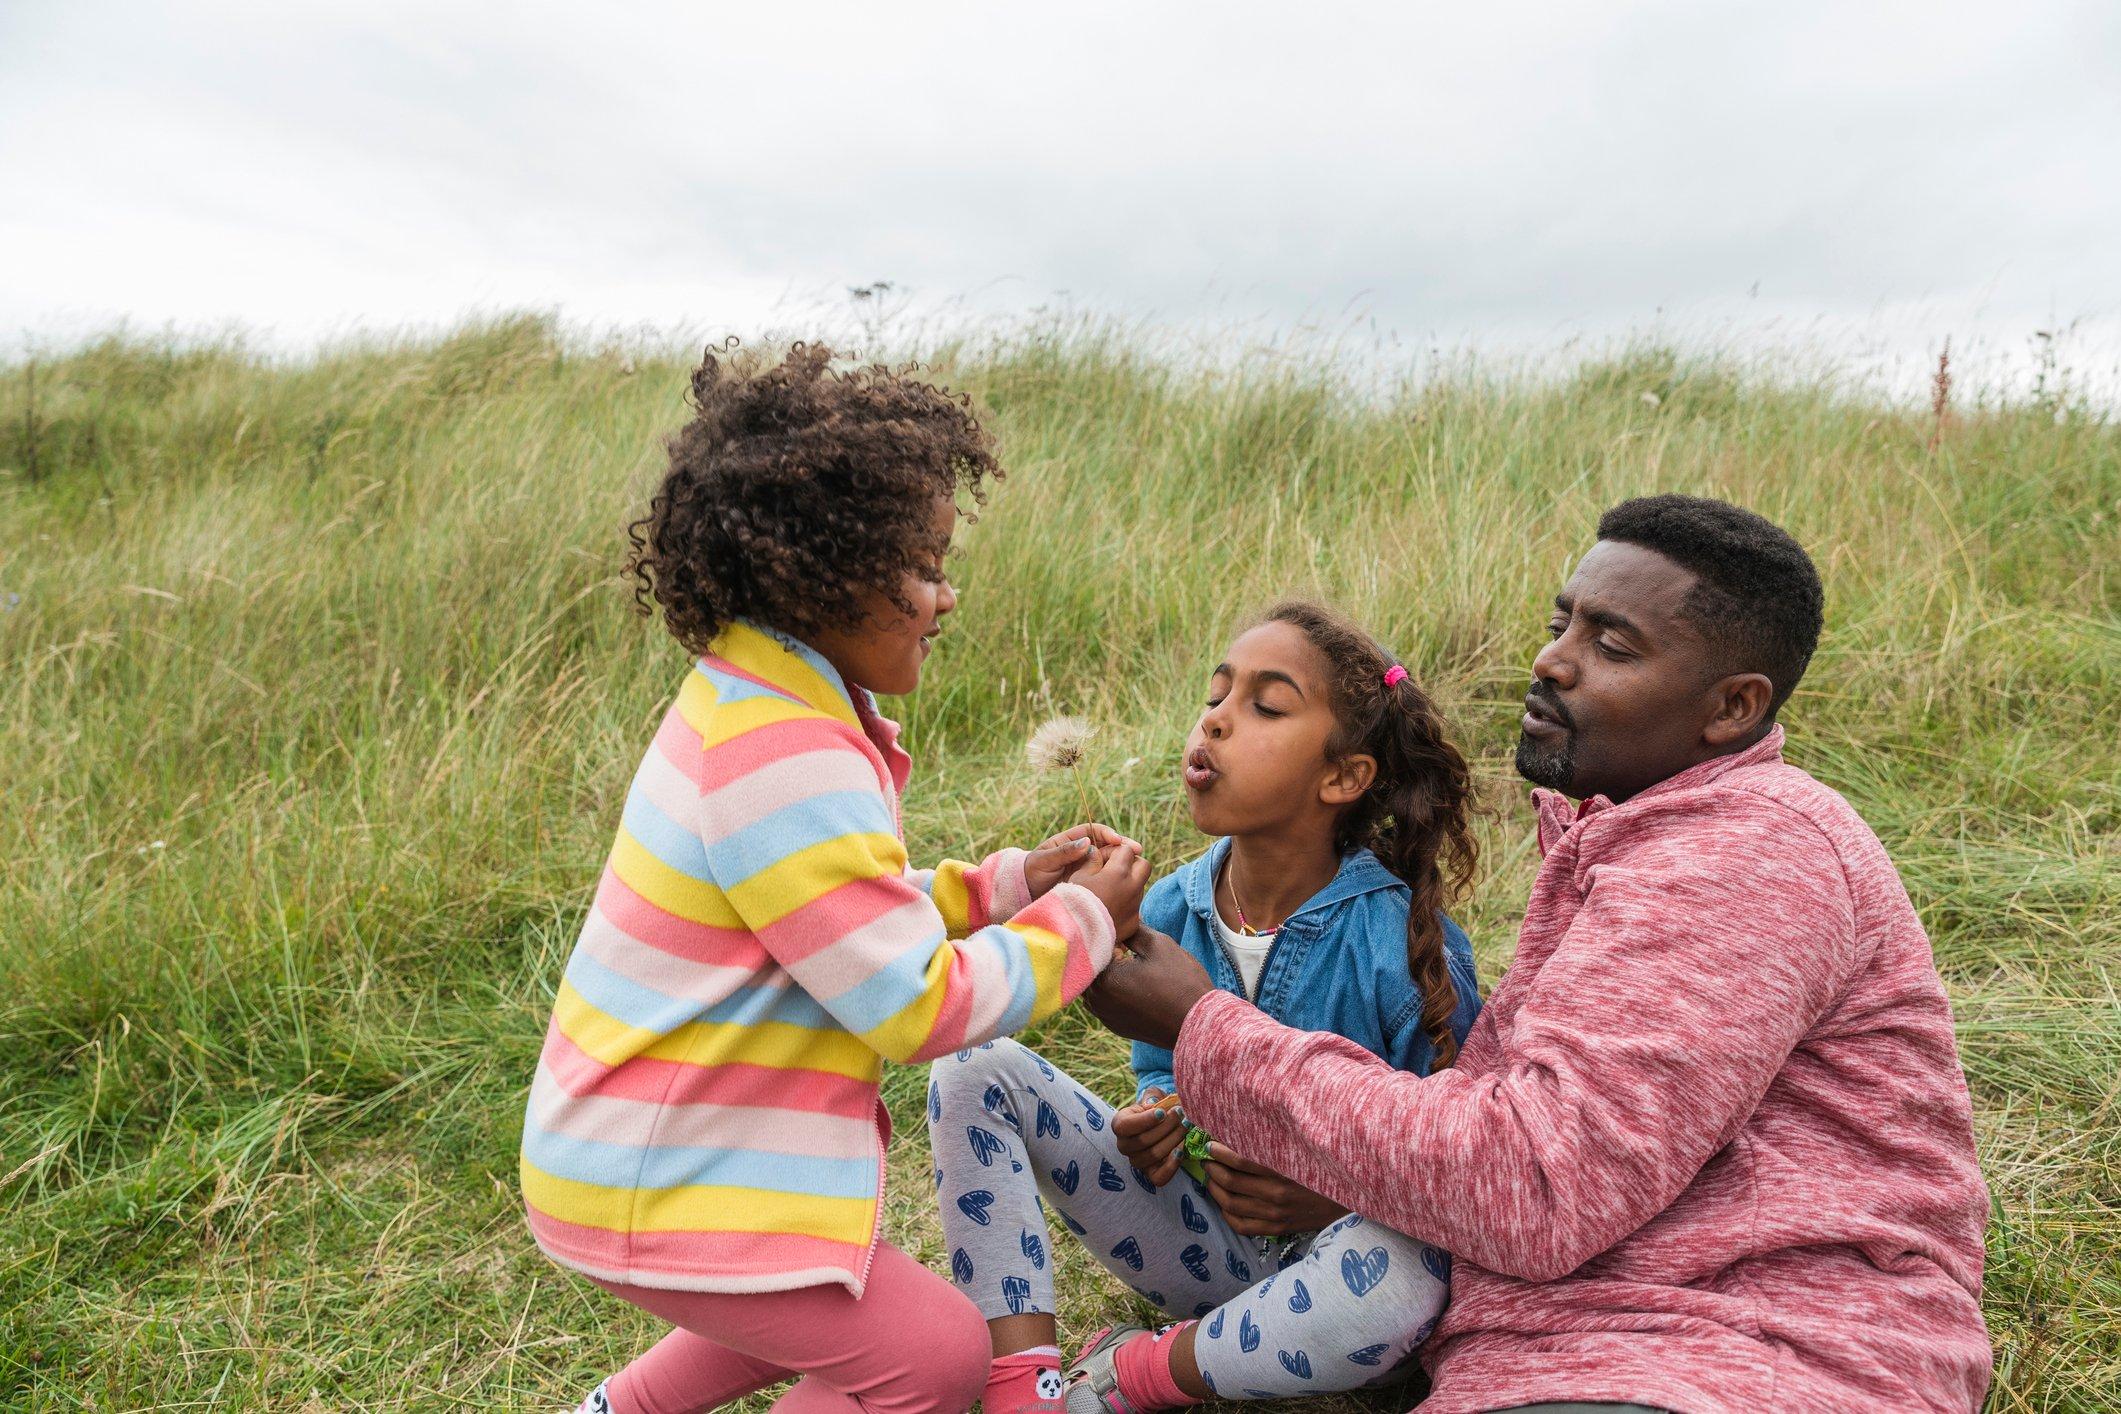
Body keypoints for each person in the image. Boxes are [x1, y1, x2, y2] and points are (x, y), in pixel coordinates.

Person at [1085, 495, 1993, 1413]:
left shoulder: (1747, 858)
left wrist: (1206, 1028)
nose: (1550, 659)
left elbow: (1536, 1186)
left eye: (1612, 645)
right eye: (1562, 623)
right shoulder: (1620, 842)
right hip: (1578, 1350)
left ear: (1731, 707)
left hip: (1754, 1354)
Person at [521, 344, 1150, 1414]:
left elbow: (834, 914)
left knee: (809, 1295)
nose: (947, 597)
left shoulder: (760, 702)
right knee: (932, 1354)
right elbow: (914, 1000)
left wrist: (1001, 887)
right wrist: (1083, 920)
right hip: (659, 1167)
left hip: (650, 1142)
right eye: (926, 566)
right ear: (830, 570)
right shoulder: (783, 753)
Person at [928, 601, 1482, 1414]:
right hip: (1205, 1253)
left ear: (1342, 777)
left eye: (1264, 705)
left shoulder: (1402, 946)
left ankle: (1132, 1377)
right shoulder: (1167, 908)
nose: (1216, 721)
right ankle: (1026, 1388)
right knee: (977, 1067)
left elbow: (1458, 1169)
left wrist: (1336, 1198)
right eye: (1215, 695)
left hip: (1350, 1280)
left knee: (1402, 1275)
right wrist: (1156, 1114)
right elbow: (1160, 1069)